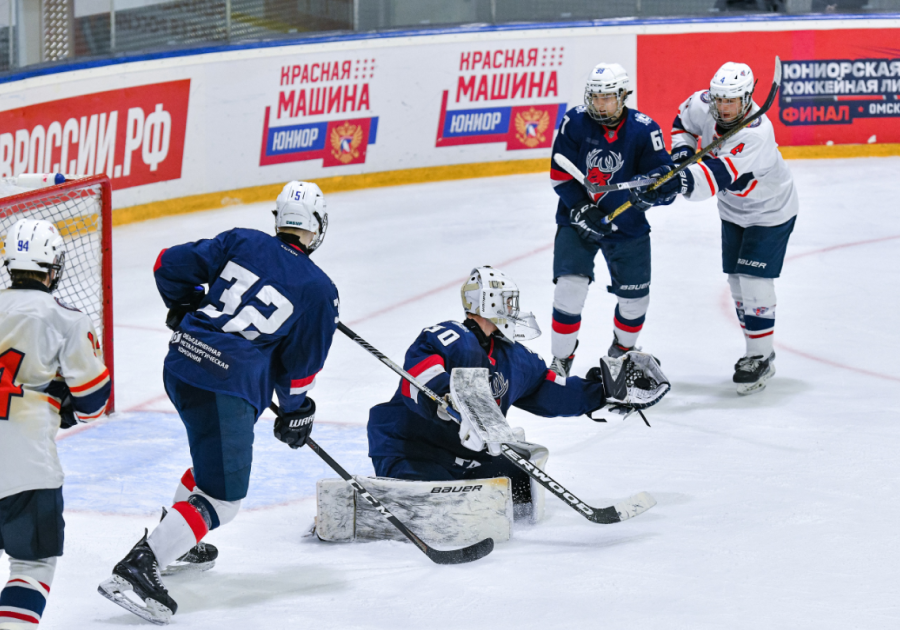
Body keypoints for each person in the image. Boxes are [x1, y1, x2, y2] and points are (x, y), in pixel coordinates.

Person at [98, 181, 340, 625]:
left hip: (182, 364)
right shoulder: (320, 290)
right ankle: (142, 564)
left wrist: (184, 306)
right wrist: (295, 411)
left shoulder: (242, 240)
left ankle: (178, 539)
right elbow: (299, 367)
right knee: (223, 498)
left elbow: (167, 264)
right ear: (317, 227)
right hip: (224, 387)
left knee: (211, 460)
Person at [367, 266, 668, 510]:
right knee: (440, 506)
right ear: (489, 303)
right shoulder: (451, 336)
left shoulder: (514, 357)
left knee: (521, 484)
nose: (513, 308)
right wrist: (448, 395)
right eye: (508, 301)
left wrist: (603, 391)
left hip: (465, 459)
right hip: (412, 450)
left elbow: (551, 393)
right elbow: (420, 373)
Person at [630, 61, 798, 394]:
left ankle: (760, 356)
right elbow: (683, 123)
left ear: (746, 99)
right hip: (733, 211)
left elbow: (714, 176)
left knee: (753, 279)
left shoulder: (756, 133)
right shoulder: (703, 103)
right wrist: (681, 157)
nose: (723, 107)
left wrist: (677, 181)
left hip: (770, 211)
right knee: (737, 283)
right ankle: (757, 350)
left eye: (731, 101)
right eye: (719, 99)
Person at [0, 219, 111, 628]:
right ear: (53, 267)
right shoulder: (66, 319)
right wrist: (62, 402)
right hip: (26, 465)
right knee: (32, 565)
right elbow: (93, 403)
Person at [548, 63, 675, 378]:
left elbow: (665, 180)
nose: (599, 104)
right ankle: (561, 360)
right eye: (595, 96)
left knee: (635, 301)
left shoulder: (645, 130)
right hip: (577, 222)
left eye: (606, 97)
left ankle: (621, 353)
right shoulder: (575, 121)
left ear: (623, 95)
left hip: (627, 225)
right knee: (569, 289)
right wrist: (581, 207)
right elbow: (559, 174)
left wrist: (654, 190)